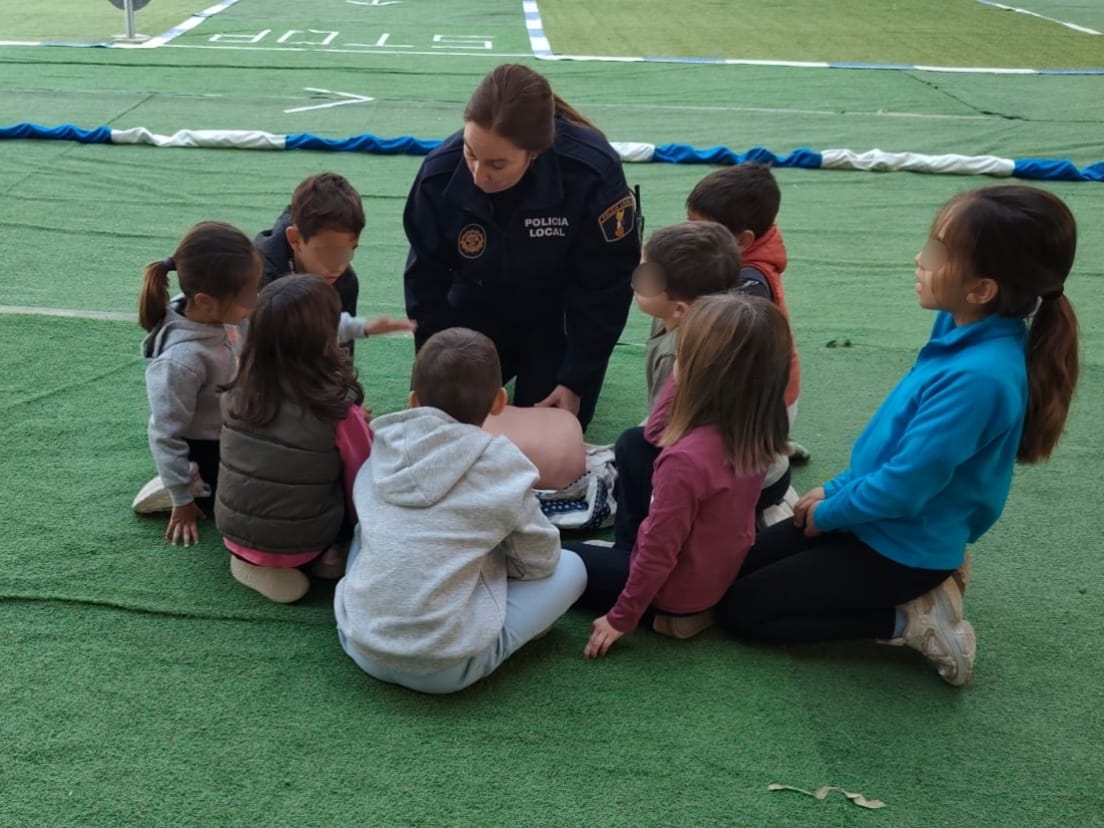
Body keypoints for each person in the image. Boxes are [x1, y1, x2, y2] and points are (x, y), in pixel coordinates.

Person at [716, 185, 1080, 687]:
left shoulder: (980, 377)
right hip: (875, 514)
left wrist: (829, 513)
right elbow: (898, 450)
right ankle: (909, 583)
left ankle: (913, 620)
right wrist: (836, 491)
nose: (919, 258)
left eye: (936, 252)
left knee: (741, 612)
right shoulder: (956, 323)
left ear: (982, 289)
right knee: (727, 570)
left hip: (904, 548)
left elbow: (907, 484)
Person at [335, 327, 587, 694]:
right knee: (573, 567)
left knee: (367, 536)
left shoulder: (383, 444)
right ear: (500, 402)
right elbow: (540, 561)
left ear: (413, 401)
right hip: (447, 668)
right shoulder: (505, 467)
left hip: (359, 642)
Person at [402, 63, 640, 429]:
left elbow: (606, 286)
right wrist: (437, 366)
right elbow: (425, 283)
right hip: (476, 304)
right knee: (446, 420)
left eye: (497, 164)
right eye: (471, 153)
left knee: (546, 430)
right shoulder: (439, 175)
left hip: (558, 313)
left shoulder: (589, 171)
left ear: (536, 152)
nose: (480, 174)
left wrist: (576, 377)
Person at [566, 293, 792, 657]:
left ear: (700, 375)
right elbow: (654, 434)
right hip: (713, 564)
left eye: (682, 354)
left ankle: (675, 616)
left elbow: (658, 552)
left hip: (672, 590)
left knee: (563, 560)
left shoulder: (685, 461)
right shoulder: (758, 428)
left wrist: (621, 618)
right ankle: (626, 553)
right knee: (634, 443)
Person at [614, 222, 794, 551]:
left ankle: (627, 549)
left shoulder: (682, 352)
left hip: (746, 482)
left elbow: (662, 434)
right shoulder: (681, 317)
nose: (634, 278)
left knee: (631, 448)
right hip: (759, 465)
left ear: (681, 309)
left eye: (645, 278)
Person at [215, 276, 373, 603]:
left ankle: (256, 561)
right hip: (303, 541)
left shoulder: (236, 388)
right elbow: (361, 479)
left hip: (233, 530)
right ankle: (323, 556)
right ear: (325, 340)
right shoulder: (336, 408)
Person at [132, 221, 260, 547]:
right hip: (208, 449)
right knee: (254, 499)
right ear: (204, 302)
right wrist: (182, 500)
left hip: (235, 424)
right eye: (248, 295)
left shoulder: (221, 313)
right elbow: (165, 433)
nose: (255, 301)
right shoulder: (182, 361)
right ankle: (182, 483)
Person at [686, 162, 809, 464]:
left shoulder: (750, 284)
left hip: (757, 416)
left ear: (743, 241)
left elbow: (723, 355)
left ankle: (769, 457)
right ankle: (774, 448)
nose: (690, 233)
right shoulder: (745, 255)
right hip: (767, 406)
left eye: (703, 230)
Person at [255, 173, 413, 351]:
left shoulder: (344, 283)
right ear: (295, 240)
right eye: (327, 253)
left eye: (348, 251)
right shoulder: (260, 277)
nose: (338, 266)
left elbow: (341, 357)